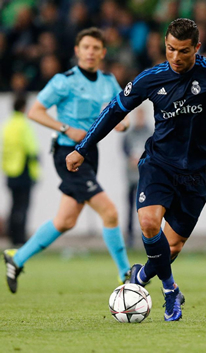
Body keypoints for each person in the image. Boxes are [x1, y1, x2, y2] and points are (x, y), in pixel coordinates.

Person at [66, 18, 206, 321]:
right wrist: (82, 148)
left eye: (183, 51)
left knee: (173, 246)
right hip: (159, 164)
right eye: (170, 49)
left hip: (198, 172)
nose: (176, 57)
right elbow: (114, 110)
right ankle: (169, 291)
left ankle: (140, 278)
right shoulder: (151, 78)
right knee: (149, 222)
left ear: (197, 48)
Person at [3, 27, 131, 294]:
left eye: (96, 48)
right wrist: (65, 128)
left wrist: (123, 123)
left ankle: (17, 258)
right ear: (77, 51)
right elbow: (35, 111)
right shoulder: (65, 80)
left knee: (66, 220)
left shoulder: (109, 81)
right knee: (110, 212)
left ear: (103, 53)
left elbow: (123, 111)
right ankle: (125, 276)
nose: (91, 52)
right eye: (86, 47)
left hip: (89, 153)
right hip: (67, 154)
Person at [1, 94, 40, 246]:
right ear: (24, 107)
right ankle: (21, 238)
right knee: (23, 207)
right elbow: (31, 149)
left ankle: (12, 236)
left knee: (13, 205)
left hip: (10, 171)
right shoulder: (24, 124)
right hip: (23, 170)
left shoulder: (7, 124)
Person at [122, 108, 152, 248]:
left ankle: (149, 236)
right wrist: (131, 159)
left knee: (147, 208)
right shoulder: (129, 134)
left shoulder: (150, 132)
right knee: (130, 207)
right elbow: (125, 150)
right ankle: (130, 237)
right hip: (132, 176)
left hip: (146, 177)